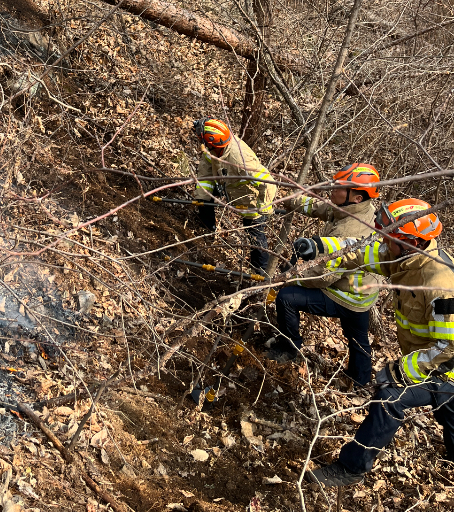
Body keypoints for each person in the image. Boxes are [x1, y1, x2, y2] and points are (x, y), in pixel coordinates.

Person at [307, 199, 454, 487]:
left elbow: (448, 347)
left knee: (389, 397)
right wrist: (320, 246)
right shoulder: (405, 258)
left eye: (390, 239)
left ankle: (351, 468)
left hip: (446, 367)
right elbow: (362, 251)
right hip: (436, 364)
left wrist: (399, 371)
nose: (384, 244)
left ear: (411, 242)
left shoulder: (440, 285)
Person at [265, 163, 381, 387]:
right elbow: (320, 207)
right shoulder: (354, 208)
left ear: (356, 197)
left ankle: (289, 348)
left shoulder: (351, 228)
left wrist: (290, 278)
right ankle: (360, 380)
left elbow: (323, 276)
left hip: (345, 293)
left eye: (339, 187)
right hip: (362, 294)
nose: (333, 189)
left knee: (287, 298)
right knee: (357, 337)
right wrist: (287, 201)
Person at [193, 119, 276, 275]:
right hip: (228, 185)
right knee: (204, 201)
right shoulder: (213, 150)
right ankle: (207, 231)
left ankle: (261, 275)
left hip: (250, 200)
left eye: (203, 138)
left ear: (213, 142)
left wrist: (263, 207)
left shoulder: (240, 159)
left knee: (255, 237)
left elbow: (268, 182)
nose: (200, 141)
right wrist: (202, 198)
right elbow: (205, 173)